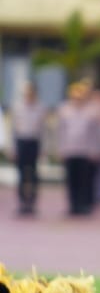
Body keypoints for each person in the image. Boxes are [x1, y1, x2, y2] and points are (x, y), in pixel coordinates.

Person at [54, 81, 100, 216]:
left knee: (85, 180)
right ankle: (73, 205)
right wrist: (60, 148)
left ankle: (84, 204)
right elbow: (60, 131)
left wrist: (98, 150)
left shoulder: (92, 110)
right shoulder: (64, 110)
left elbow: (98, 132)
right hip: (70, 150)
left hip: (86, 151)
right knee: (71, 180)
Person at [9, 80, 48, 216]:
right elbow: (13, 130)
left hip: (34, 141)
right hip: (21, 141)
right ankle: (22, 203)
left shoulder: (40, 108)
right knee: (21, 175)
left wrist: (43, 149)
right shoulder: (17, 107)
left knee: (33, 174)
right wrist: (12, 148)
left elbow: (43, 131)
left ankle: (32, 202)